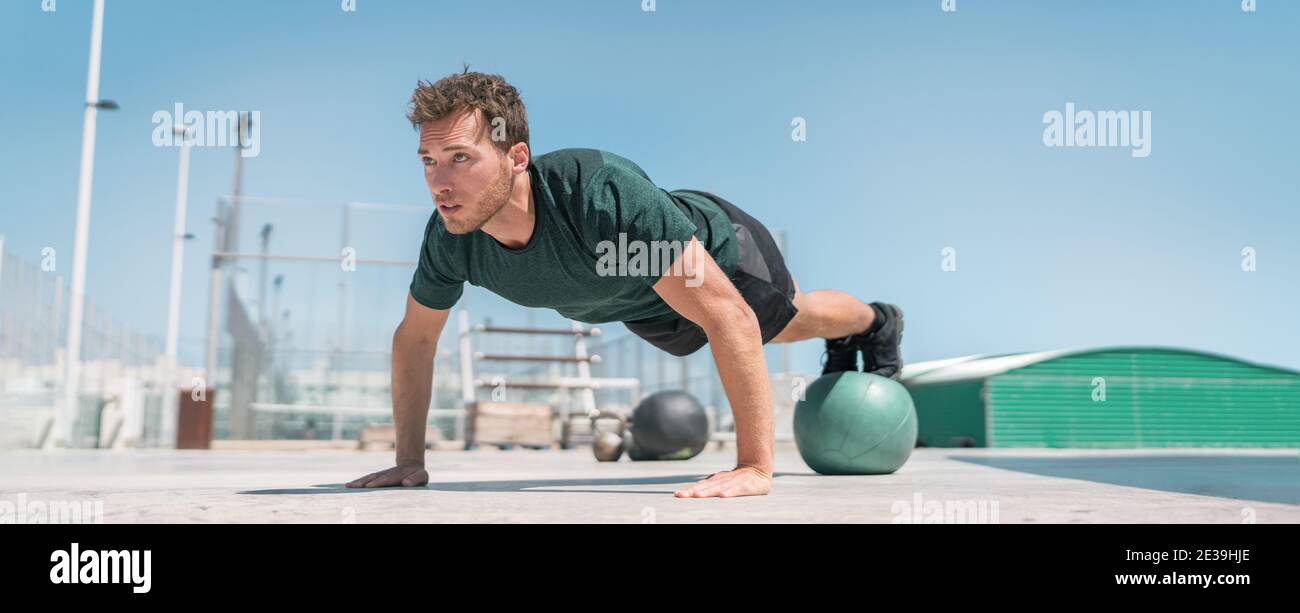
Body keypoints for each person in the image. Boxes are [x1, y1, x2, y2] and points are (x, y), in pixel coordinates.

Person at [346, 69, 903, 498]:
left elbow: (728, 316)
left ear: (517, 157)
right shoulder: (451, 236)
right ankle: (859, 328)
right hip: (637, 302)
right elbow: (415, 340)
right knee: (758, 330)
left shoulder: (598, 197)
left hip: (718, 251)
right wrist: (409, 459)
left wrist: (754, 467)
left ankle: (876, 323)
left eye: (460, 158)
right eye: (428, 160)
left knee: (788, 322)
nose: (438, 182)